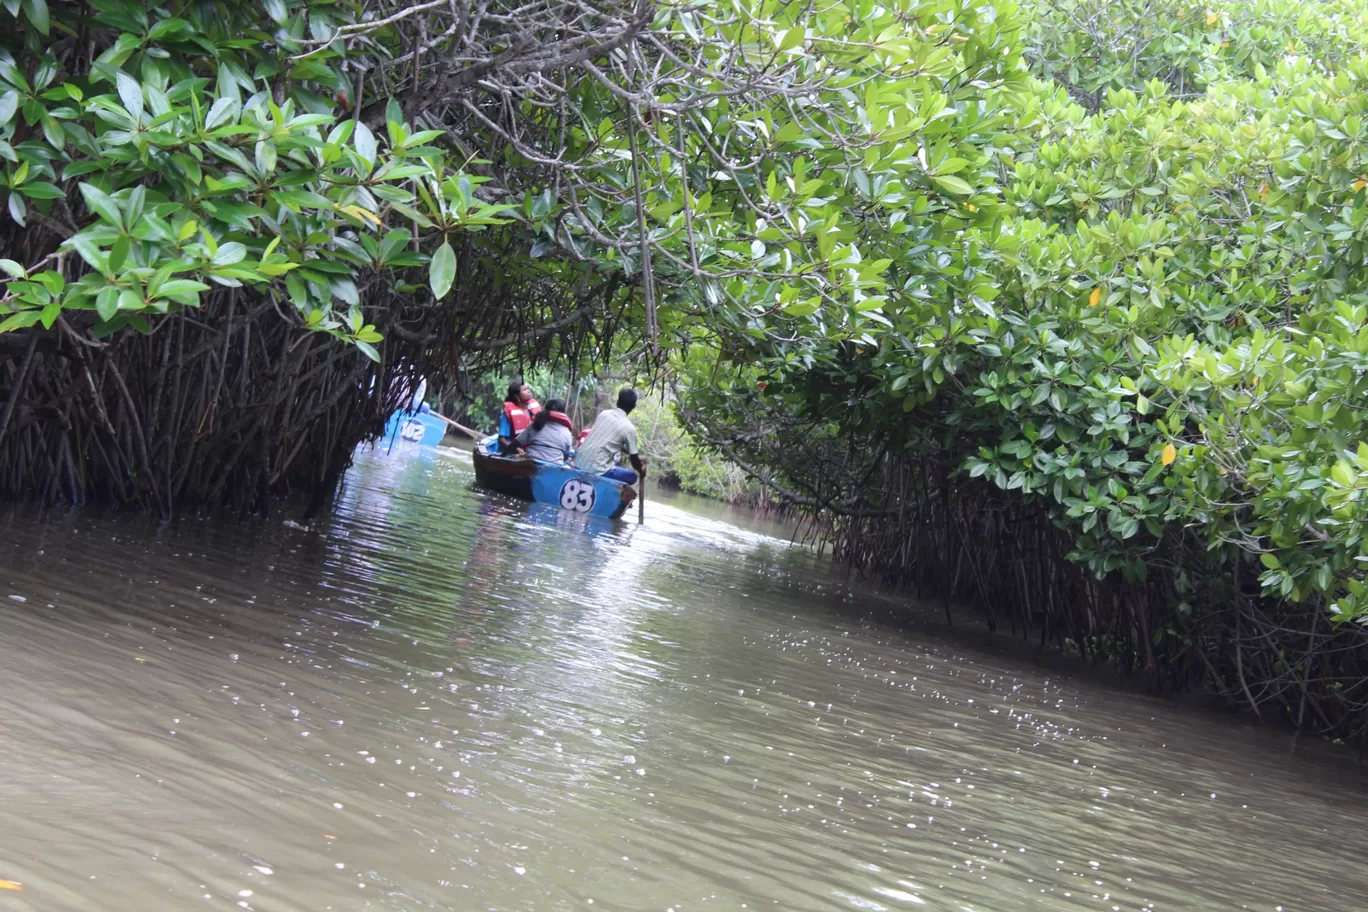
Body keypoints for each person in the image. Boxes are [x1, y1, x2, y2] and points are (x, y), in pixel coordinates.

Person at [574, 388, 645, 484]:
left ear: (618, 401)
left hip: (578, 461)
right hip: (597, 470)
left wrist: (631, 452)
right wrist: (641, 470)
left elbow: (609, 441)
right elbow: (634, 461)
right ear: (633, 406)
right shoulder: (629, 428)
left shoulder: (604, 414)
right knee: (632, 477)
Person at [514, 398, 575, 464]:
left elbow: (516, 443)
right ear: (563, 412)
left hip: (531, 462)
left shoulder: (534, 425)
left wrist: (503, 454)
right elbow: (566, 455)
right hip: (555, 466)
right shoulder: (567, 432)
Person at [497, 381, 542, 453]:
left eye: (528, 388)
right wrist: (516, 449)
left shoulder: (532, 410)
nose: (529, 391)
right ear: (516, 396)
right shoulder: (507, 414)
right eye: (525, 390)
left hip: (531, 449)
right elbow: (502, 439)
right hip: (513, 452)